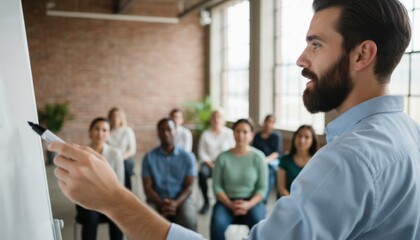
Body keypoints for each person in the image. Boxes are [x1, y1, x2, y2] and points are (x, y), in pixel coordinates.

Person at [50, 0, 420, 239]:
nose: (301, 59)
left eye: (316, 44)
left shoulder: (348, 160)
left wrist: (114, 199)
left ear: (362, 55)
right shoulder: (409, 133)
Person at [210, 118, 267, 240]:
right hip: (226, 201)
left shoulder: (259, 158)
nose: (240, 135)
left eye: (245, 132)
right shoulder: (222, 157)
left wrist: (248, 204)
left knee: (260, 226)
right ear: (233, 133)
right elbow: (217, 187)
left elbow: (262, 188)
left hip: (252, 201)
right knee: (217, 226)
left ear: (251, 135)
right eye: (237, 131)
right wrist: (230, 204)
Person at [141, 118, 197, 231]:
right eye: (162, 130)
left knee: (189, 219)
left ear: (175, 132)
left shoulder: (188, 157)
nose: (166, 133)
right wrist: (161, 204)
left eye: (169, 130)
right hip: (156, 200)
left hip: (182, 199)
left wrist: (175, 204)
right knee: (144, 222)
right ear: (158, 133)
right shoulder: (149, 157)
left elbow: (189, 187)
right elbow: (147, 188)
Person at [75, 117, 124, 240]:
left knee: (118, 215)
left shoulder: (115, 154)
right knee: (91, 216)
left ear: (108, 134)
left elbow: (119, 184)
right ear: (90, 132)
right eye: (96, 129)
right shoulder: (80, 153)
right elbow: (78, 184)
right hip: (87, 202)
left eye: (104, 130)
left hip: (110, 200)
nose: (100, 133)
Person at [197, 109, 235, 214]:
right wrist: (209, 162)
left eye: (219, 117)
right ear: (210, 120)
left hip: (225, 164)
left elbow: (232, 149)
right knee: (202, 174)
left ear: (224, 120)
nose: (216, 119)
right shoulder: (205, 134)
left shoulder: (229, 133)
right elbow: (201, 152)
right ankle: (206, 202)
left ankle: (224, 201)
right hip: (209, 163)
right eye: (214, 117)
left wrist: (220, 164)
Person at [277, 125, 318, 197]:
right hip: (287, 201)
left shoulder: (316, 162)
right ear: (294, 137)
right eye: (299, 136)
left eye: (306, 137)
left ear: (312, 141)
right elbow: (282, 189)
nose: (302, 140)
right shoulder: (285, 160)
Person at [252, 114, 282, 201]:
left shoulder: (276, 136)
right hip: (257, 160)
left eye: (272, 122)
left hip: (270, 162)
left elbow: (277, 153)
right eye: (267, 121)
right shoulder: (257, 135)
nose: (269, 124)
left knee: (269, 172)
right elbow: (253, 150)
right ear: (263, 122)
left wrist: (265, 160)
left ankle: (264, 198)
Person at [107, 107, 137, 190]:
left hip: (124, 158)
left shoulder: (127, 130)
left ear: (122, 118)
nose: (115, 118)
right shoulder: (107, 131)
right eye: (112, 116)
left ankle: (126, 191)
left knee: (125, 166)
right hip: (109, 158)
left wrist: (120, 158)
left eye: (117, 116)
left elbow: (132, 150)